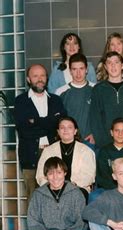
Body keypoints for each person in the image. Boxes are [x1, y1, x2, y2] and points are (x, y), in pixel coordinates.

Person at [13, 157, 93, 230]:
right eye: (51, 173)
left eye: (59, 172)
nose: (55, 177)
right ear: (46, 176)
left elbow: (81, 224)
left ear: (65, 173)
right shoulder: (38, 194)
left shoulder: (76, 193)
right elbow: (33, 223)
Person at [14, 64, 67, 201]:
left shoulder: (56, 100)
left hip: (54, 152)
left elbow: (61, 126)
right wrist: (49, 123)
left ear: (47, 78)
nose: (40, 79)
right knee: (33, 198)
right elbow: (24, 131)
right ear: (28, 79)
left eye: (42, 75)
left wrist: (35, 121)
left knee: (57, 197)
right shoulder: (21, 101)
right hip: (30, 155)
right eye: (35, 76)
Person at [89, 51, 123, 148]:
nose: (113, 66)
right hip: (105, 145)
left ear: (122, 66)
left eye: (116, 62)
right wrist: (103, 143)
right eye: (109, 63)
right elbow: (95, 119)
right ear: (105, 67)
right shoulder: (98, 89)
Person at [36, 116, 96, 192]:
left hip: (78, 188)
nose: (65, 130)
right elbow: (40, 175)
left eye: (69, 127)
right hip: (53, 189)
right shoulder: (48, 151)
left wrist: (71, 186)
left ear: (75, 131)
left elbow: (89, 176)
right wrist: (53, 186)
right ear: (58, 131)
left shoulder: (86, 151)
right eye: (62, 127)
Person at [94, 118, 123, 198]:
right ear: (111, 132)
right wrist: (116, 190)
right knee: (95, 196)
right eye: (117, 130)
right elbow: (101, 176)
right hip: (109, 189)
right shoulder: (104, 151)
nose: (120, 134)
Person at [56, 53, 95, 145]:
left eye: (81, 69)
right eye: (74, 69)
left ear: (86, 70)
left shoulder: (96, 89)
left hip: (89, 141)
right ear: (70, 71)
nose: (78, 73)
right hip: (68, 141)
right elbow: (57, 120)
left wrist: (95, 134)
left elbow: (101, 116)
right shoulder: (60, 92)